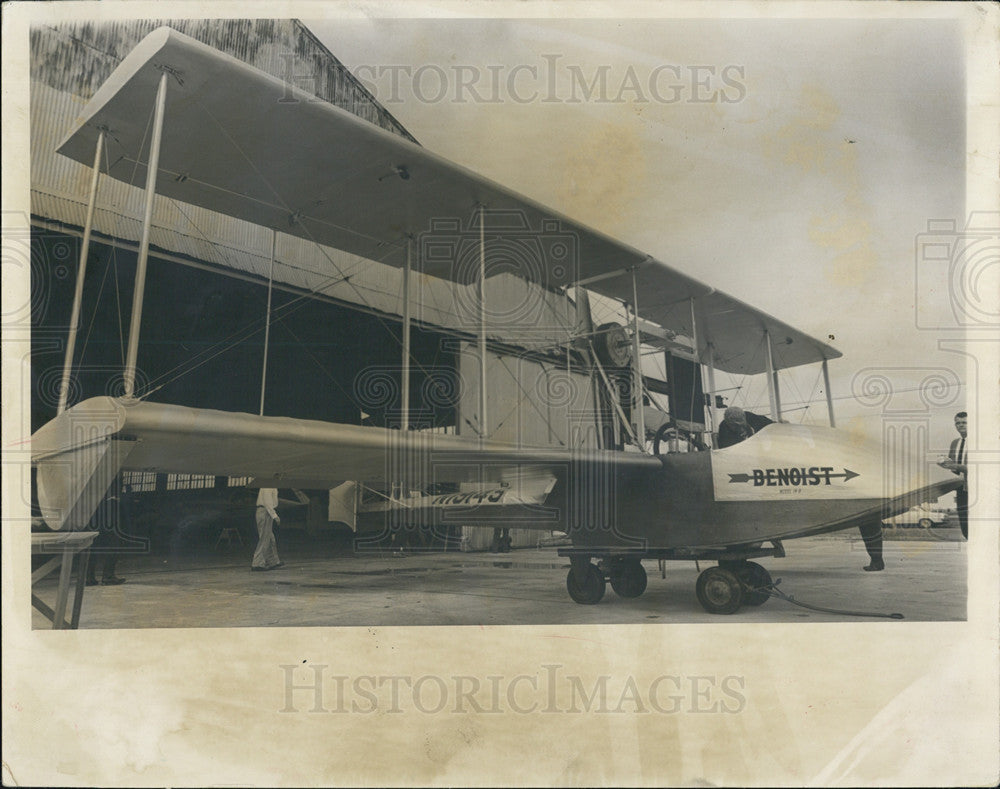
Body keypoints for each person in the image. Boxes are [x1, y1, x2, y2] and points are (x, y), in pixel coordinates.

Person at [86, 481, 132, 586]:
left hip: (94, 518)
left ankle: (89, 577)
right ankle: (108, 576)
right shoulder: (112, 482)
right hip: (108, 517)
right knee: (114, 545)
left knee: (93, 547)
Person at [939, 411, 969, 540]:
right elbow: (954, 468)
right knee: (965, 525)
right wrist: (945, 464)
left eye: (964, 422)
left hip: (978, 489)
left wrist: (956, 466)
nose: (961, 425)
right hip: (961, 489)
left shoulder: (981, 441)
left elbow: (980, 469)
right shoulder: (955, 443)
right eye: (958, 423)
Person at [252, 488, 283, 571]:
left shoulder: (272, 485)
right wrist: (275, 516)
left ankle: (272, 561)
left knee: (270, 537)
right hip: (265, 511)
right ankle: (257, 563)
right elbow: (267, 502)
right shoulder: (267, 485)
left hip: (266, 511)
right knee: (265, 538)